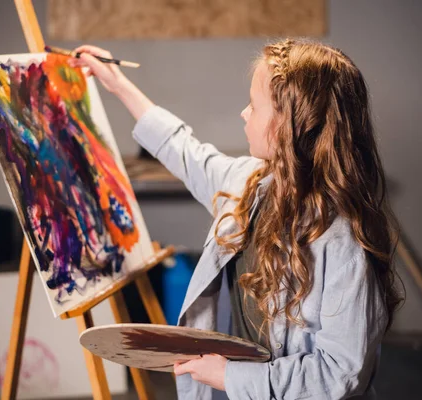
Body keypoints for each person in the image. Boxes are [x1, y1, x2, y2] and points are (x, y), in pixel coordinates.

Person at [70, 38, 402, 399]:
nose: (244, 113)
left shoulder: (341, 240)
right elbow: (185, 151)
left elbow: (340, 375)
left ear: (292, 124)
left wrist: (231, 376)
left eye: (254, 106)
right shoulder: (248, 182)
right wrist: (117, 84)